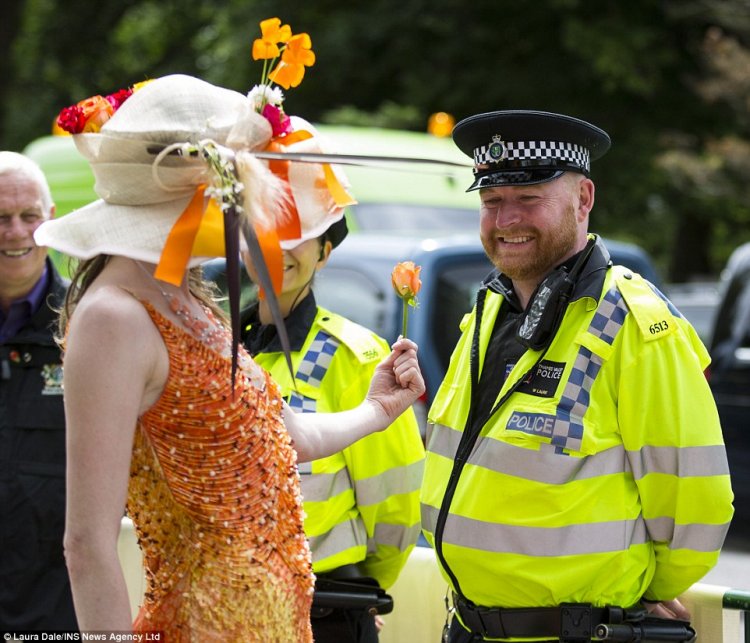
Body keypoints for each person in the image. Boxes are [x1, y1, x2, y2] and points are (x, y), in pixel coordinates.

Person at [33, 73, 424, 642]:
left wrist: (379, 409)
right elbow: (86, 543)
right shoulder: (113, 317)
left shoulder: (191, 299)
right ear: (205, 192)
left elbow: (291, 437)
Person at [419, 110, 735, 643]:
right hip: (470, 628)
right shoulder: (488, 313)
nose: (505, 220)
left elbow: (695, 500)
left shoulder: (633, 323)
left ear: (583, 199)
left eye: (529, 199)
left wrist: (635, 594)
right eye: (492, 202)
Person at [240, 117, 425, 643]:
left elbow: (396, 504)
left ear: (325, 250)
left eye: (299, 236)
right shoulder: (215, 348)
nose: (278, 249)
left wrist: (363, 591)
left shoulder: (358, 357)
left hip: (324, 612)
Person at [0, 152, 77, 631]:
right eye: (0, 218)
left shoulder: (87, 325)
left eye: (28, 216)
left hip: (59, 606)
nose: (15, 231)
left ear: (50, 222)